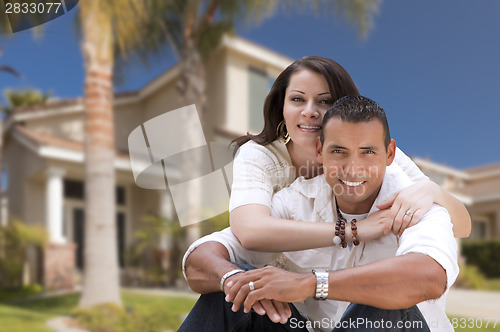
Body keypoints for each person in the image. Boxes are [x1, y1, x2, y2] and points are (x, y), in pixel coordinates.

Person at [181, 96, 458, 331]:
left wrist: (311, 284)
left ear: (389, 154)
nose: (353, 168)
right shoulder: (296, 201)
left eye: (367, 152)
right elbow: (200, 259)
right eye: (339, 151)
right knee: (230, 295)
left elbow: (429, 276)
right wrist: (232, 279)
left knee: (386, 301)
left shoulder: (415, 202)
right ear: (320, 151)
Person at [228, 56, 470, 256]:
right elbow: (250, 231)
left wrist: (432, 191)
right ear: (281, 106)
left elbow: (462, 227)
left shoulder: (373, 153)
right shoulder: (260, 157)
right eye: (297, 99)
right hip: (277, 280)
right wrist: (356, 230)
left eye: (324, 101)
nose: (309, 111)